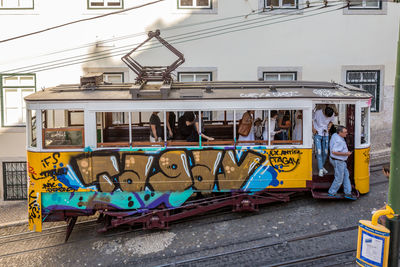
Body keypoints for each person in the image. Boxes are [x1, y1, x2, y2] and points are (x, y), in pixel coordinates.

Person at [328, 126, 356, 200]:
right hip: (338, 161)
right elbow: (334, 151)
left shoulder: (334, 135)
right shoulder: (339, 141)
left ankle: (348, 192)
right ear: (340, 132)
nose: (347, 133)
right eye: (345, 132)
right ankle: (332, 192)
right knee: (339, 178)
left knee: (346, 175)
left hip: (335, 160)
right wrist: (346, 154)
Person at [313, 106, 335, 177]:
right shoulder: (317, 113)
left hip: (326, 134)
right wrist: (313, 129)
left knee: (325, 152)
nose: (327, 118)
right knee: (319, 152)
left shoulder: (332, 113)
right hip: (317, 133)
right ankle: (321, 169)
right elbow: (311, 120)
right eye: (326, 116)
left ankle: (321, 167)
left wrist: (328, 127)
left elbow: (331, 121)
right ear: (324, 113)